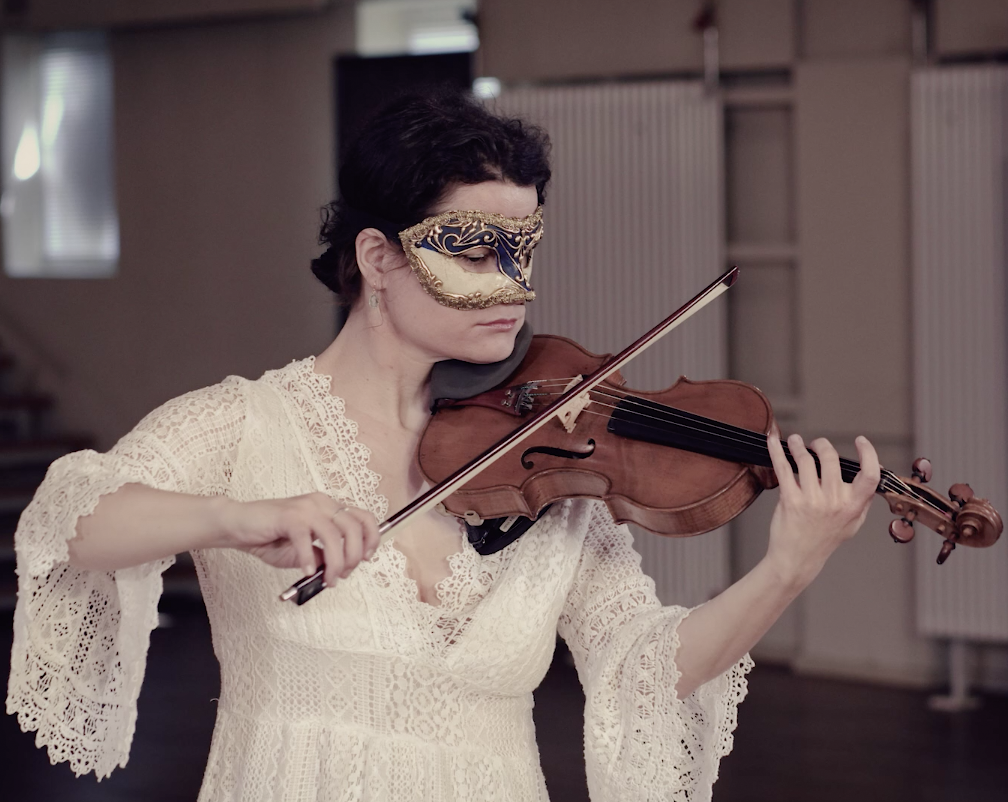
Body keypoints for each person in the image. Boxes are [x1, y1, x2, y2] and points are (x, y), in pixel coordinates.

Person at [6, 89, 880, 802]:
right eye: (475, 251)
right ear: (378, 257)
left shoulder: (548, 464)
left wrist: (789, 565)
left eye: (525, 251)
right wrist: (236, 518)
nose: (515, 287)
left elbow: (645, 668)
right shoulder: (243, 426)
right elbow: (67, 521)